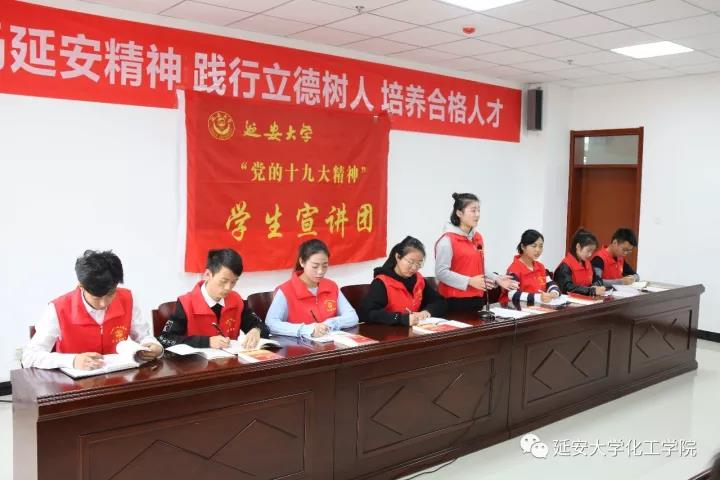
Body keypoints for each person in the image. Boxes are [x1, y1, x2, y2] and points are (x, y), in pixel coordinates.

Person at [22, 250, 163, 370]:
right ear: (81, 287)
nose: (103, 303)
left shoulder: (127, 298)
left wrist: (155, 346)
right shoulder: (58, 308)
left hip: (118, 379)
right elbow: (29, 356)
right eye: (97, 297)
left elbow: (143, 336)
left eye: (110, 294)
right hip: (74, 385)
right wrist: (73, 361)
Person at [158, 248, 268, 349]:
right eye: (223, 281)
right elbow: (165, 339)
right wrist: (207, 342)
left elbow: (262, 326)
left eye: (233, 282)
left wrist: (256, 330)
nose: (228, 288)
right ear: (207, 274)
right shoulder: (186, 303)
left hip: (231, 362)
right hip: (196, 363)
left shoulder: (236, 300)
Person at [435, 192, 518, 311]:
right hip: (454, 302)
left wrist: (497, 278)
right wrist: (469, 281)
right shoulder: (447, 240)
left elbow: (480, 267)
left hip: (477, 299)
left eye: (479, 210)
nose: (477, 215)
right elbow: (441, 272)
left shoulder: (477, 237)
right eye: (473, 211)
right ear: (459, 213)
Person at [265, 239, 358, 338]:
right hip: (298, 345)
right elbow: (271, 323)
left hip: (331, 343)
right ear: (302, 262)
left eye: (325, 266)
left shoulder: (331, 286)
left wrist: (331, 323)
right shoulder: (286, 291)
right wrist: (307, 329)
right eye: (315, 266)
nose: (320, 271)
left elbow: (352, 316)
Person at [362, 236, 447, 326]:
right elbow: (368, 313)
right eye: (410, 262)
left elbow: (440, 302)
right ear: (398, 257)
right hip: (389, 332)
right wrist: (400, 318)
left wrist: (427, 312)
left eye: (419, 263)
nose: (414, 268)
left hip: (415, 330)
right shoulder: (382, 283)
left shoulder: (419, 280)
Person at [503, 229, 561, 304]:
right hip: (516, 308)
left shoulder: (540, 266)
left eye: (541, 246)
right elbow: (512, 294)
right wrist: (539, 297)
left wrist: (553, 294)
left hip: (537, 306)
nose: (538, 250)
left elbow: (551, 284)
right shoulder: (514, 269)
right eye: (534, 246)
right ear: (523, 247)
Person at [554, 229, 606, 296]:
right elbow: (567, 288)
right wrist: (591, 290)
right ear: (578, 246)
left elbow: (597, 279)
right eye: (588, 251)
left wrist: (596, 285)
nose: (590, 254)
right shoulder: (565, 266)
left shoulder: (588, 263)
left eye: (592, 252)